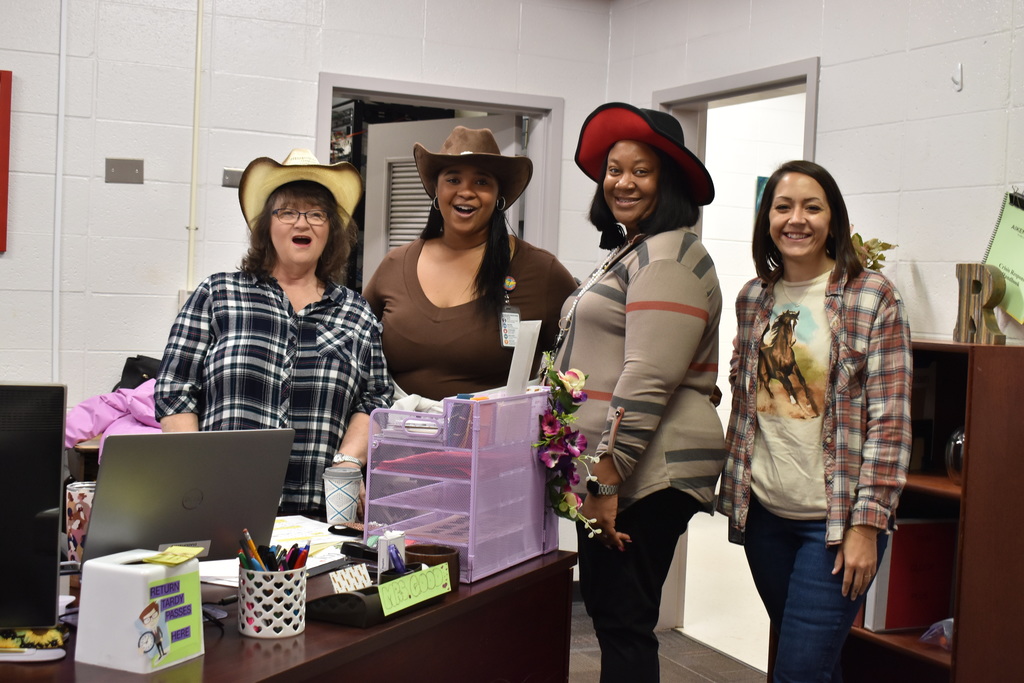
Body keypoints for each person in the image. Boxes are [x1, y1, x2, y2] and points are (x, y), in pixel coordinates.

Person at [717, 160, 912, 682]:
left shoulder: (872, 296)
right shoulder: (753, 298)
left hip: (832, 525)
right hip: (764, 517)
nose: (795, 219)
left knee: (798, 671)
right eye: (783, 207)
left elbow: (890, 422)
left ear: (833, 219)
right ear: (767, 220)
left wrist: (867, 526)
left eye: (812, 207)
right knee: (812, 665)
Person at [553, 102, 727, 682]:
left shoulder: (672, 254)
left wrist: (606, 475)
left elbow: (649, 373)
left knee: (624, 624)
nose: (622, 182)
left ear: (669, 180)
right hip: (628, 468)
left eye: (641, 170)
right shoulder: (636, 249)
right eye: (614, 169)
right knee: (616, 619)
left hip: (645, 472)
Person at [155, 149, 393, 516]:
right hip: (222, 504)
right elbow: (175, 390)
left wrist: (348, 462)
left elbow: (375, 399)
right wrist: (197, 475)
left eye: (317, 214)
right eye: (288, 212)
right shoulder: (218, 295)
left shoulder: (356, 312)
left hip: (320, 512)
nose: (303, 223)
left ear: (331, 230)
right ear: (266, 225)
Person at [362, 126, 577, 400]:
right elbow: (357, 349)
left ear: (498, 195)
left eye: (481, 182)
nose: (466, 192)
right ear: (436, 191)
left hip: (497, 439)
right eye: (453, 180)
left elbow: (579, 360)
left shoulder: (541, 271)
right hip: (401, 436)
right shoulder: (394, 265)